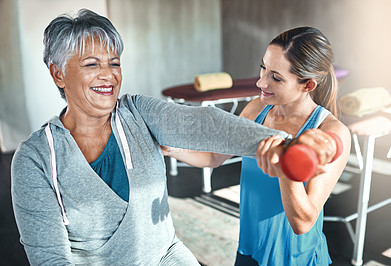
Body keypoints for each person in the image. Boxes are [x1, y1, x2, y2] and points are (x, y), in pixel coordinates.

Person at [11, 9, 337, 265]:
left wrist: (287, 145)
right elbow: (50, 258)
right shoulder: (35, 158)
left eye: (114, 62)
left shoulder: (138, 111)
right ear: (58, 73)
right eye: (91, 63)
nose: (108, 74)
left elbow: (207, 125)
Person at [163, 27, 351, 265]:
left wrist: (286, 169)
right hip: (249, 249)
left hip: (295, 257)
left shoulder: (332, 132)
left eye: (276, 77)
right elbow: (213, 157)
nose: (261, 82)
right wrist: (171, 149)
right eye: (263, 68)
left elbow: (303, 223)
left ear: (308, 85)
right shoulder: (256, 110)